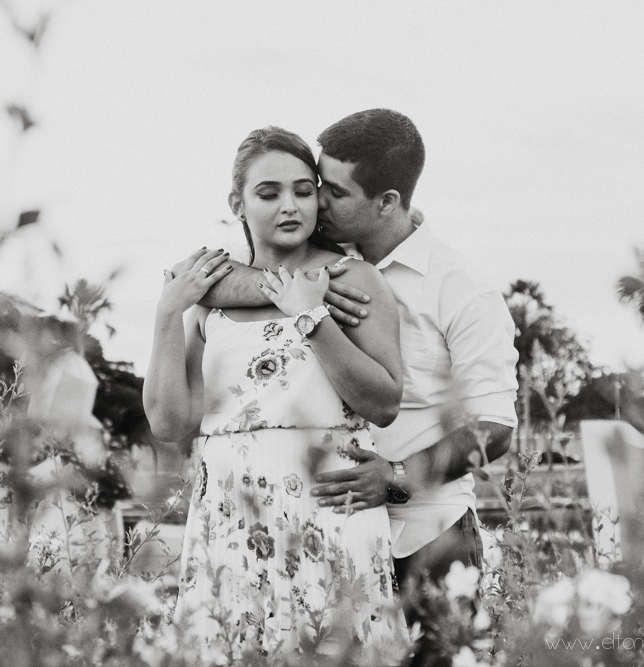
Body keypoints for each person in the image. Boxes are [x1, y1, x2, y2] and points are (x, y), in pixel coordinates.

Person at [197, 110, 519, 665]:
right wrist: (302, 290)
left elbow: (495, 428)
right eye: (316, 185)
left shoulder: (462, 289)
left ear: (387, 202)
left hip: (426, 538)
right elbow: (210, 278)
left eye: (334, 192)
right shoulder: (324, 263)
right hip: (325, 533)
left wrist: (396, 477)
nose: (315, 202)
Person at [143, 126, 410, 660]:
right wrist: (168, 311)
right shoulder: (207, 299)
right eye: (269, 193)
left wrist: (312, 317)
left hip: (326, 509)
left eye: (303, 191)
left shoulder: (353, 279)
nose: (290, 206)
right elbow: (170, 424)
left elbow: (384, 403)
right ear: (237, 203)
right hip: (228, 519)